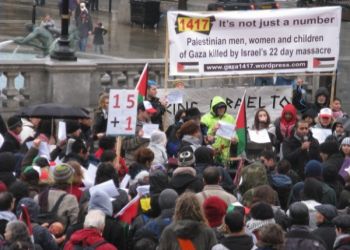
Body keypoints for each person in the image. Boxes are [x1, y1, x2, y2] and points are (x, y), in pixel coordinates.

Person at [201, 96, 237, 166]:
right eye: (219, 108)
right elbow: (204, 136)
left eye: (223, 107)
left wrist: (235, 140)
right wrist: (213, 130)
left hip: (226, 153)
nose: (222, 110)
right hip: (211, 152)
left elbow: (234, 133)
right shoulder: (205, 118)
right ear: (214, 108)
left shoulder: (230, 118)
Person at [122, 101, 156, 166]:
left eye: (152, 113)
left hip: (147, 162)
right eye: (148, 112)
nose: (151, 115)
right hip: (133, 163)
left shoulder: (150, 123)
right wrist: (140, 138)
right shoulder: (130, 124)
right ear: (140, 111)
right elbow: (124, 145)